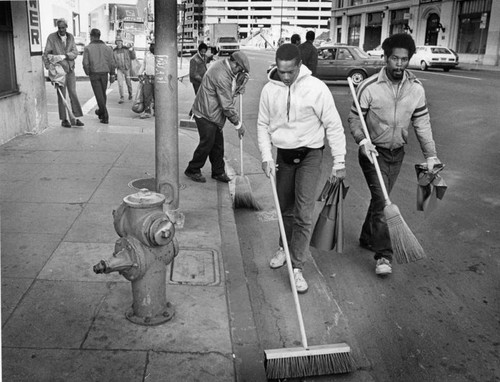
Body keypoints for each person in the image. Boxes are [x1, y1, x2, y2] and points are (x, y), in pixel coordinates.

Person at [348, 33, 441, 276]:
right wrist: (362, 140)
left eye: (404, 59)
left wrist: (431, 155)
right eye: (394, 59)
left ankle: (367, 237)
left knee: (381, 198)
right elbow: (355, 117)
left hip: (396, 153)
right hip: (372, 152)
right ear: (385, 58)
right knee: (383, 203)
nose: (399, 64)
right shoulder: (368, 87)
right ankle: (383, 256)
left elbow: (422, 122)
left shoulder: (416, 89)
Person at [257, 44, 346, 293]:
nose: (285, 77)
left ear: (299, 66)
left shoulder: (316, 88)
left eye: (290, 72)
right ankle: (283, 247)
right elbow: (262, 124)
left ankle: (297, 268)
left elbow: (334, 126)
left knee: (303, 213)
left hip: (310, 155)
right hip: (283, 155)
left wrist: (339, 162)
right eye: (281, 71)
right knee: (284, 208)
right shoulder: (269, 90)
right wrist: (266, 157)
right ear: (277, 66)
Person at [184, 51, 250, 184]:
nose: (238, 72)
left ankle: (218, 172)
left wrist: (238, 87)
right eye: (239, 69)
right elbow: (226, 105)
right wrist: (238, 125)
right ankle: (193, 169)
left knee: (217, 145)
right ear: (234, 63)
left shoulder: (225, 68)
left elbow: (228, 93)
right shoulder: (221, 74)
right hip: (206, 113)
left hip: (212, 113)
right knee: (207, 143)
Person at [43, 18, 84, 128]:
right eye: (59, 27)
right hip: (59, 70)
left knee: (73, 93)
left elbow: (75, 52)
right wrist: (49, 69)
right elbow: (46, 53)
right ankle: (64, 119)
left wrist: (66, 56)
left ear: (66, 27)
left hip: (70, 69)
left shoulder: (70, 37)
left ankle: (75, 118)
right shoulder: (52, 37)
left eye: (63, 27)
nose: (61, 30)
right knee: (62, 96)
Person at [83, 29, 116, 124]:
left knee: (99, 95)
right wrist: (112, 74)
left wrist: (88, 72)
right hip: (104, 74)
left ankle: (104, 114)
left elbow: (85, 63)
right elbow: (112, 62)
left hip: (94, 73)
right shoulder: (107, 48)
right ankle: (101, 113)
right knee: (102, 93)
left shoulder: (88, 48)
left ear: (92, 36)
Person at [113, 37, 135, 103]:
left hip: (126, 68)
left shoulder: (126, 49)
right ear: (116, 43)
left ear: (122, 42)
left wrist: (132, 50)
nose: (119, 43)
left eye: (120, 41)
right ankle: (122, 97)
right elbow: (113, 60)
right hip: (119, 69)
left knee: (128, 82)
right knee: (120, 84)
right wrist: (115, 66)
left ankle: (130, 94)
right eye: (117, 42)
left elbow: (133, 57)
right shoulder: (114, 51)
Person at [138, 43, 155, 119]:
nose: (152, 48)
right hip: (148, 77)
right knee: (146, 94)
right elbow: (143, 65)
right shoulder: (147, 55)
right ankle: (147, 111)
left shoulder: (160, 56)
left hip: (157, 78)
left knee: (156, 95)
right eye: (151, 46)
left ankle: (156, 110)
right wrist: (139, 73)